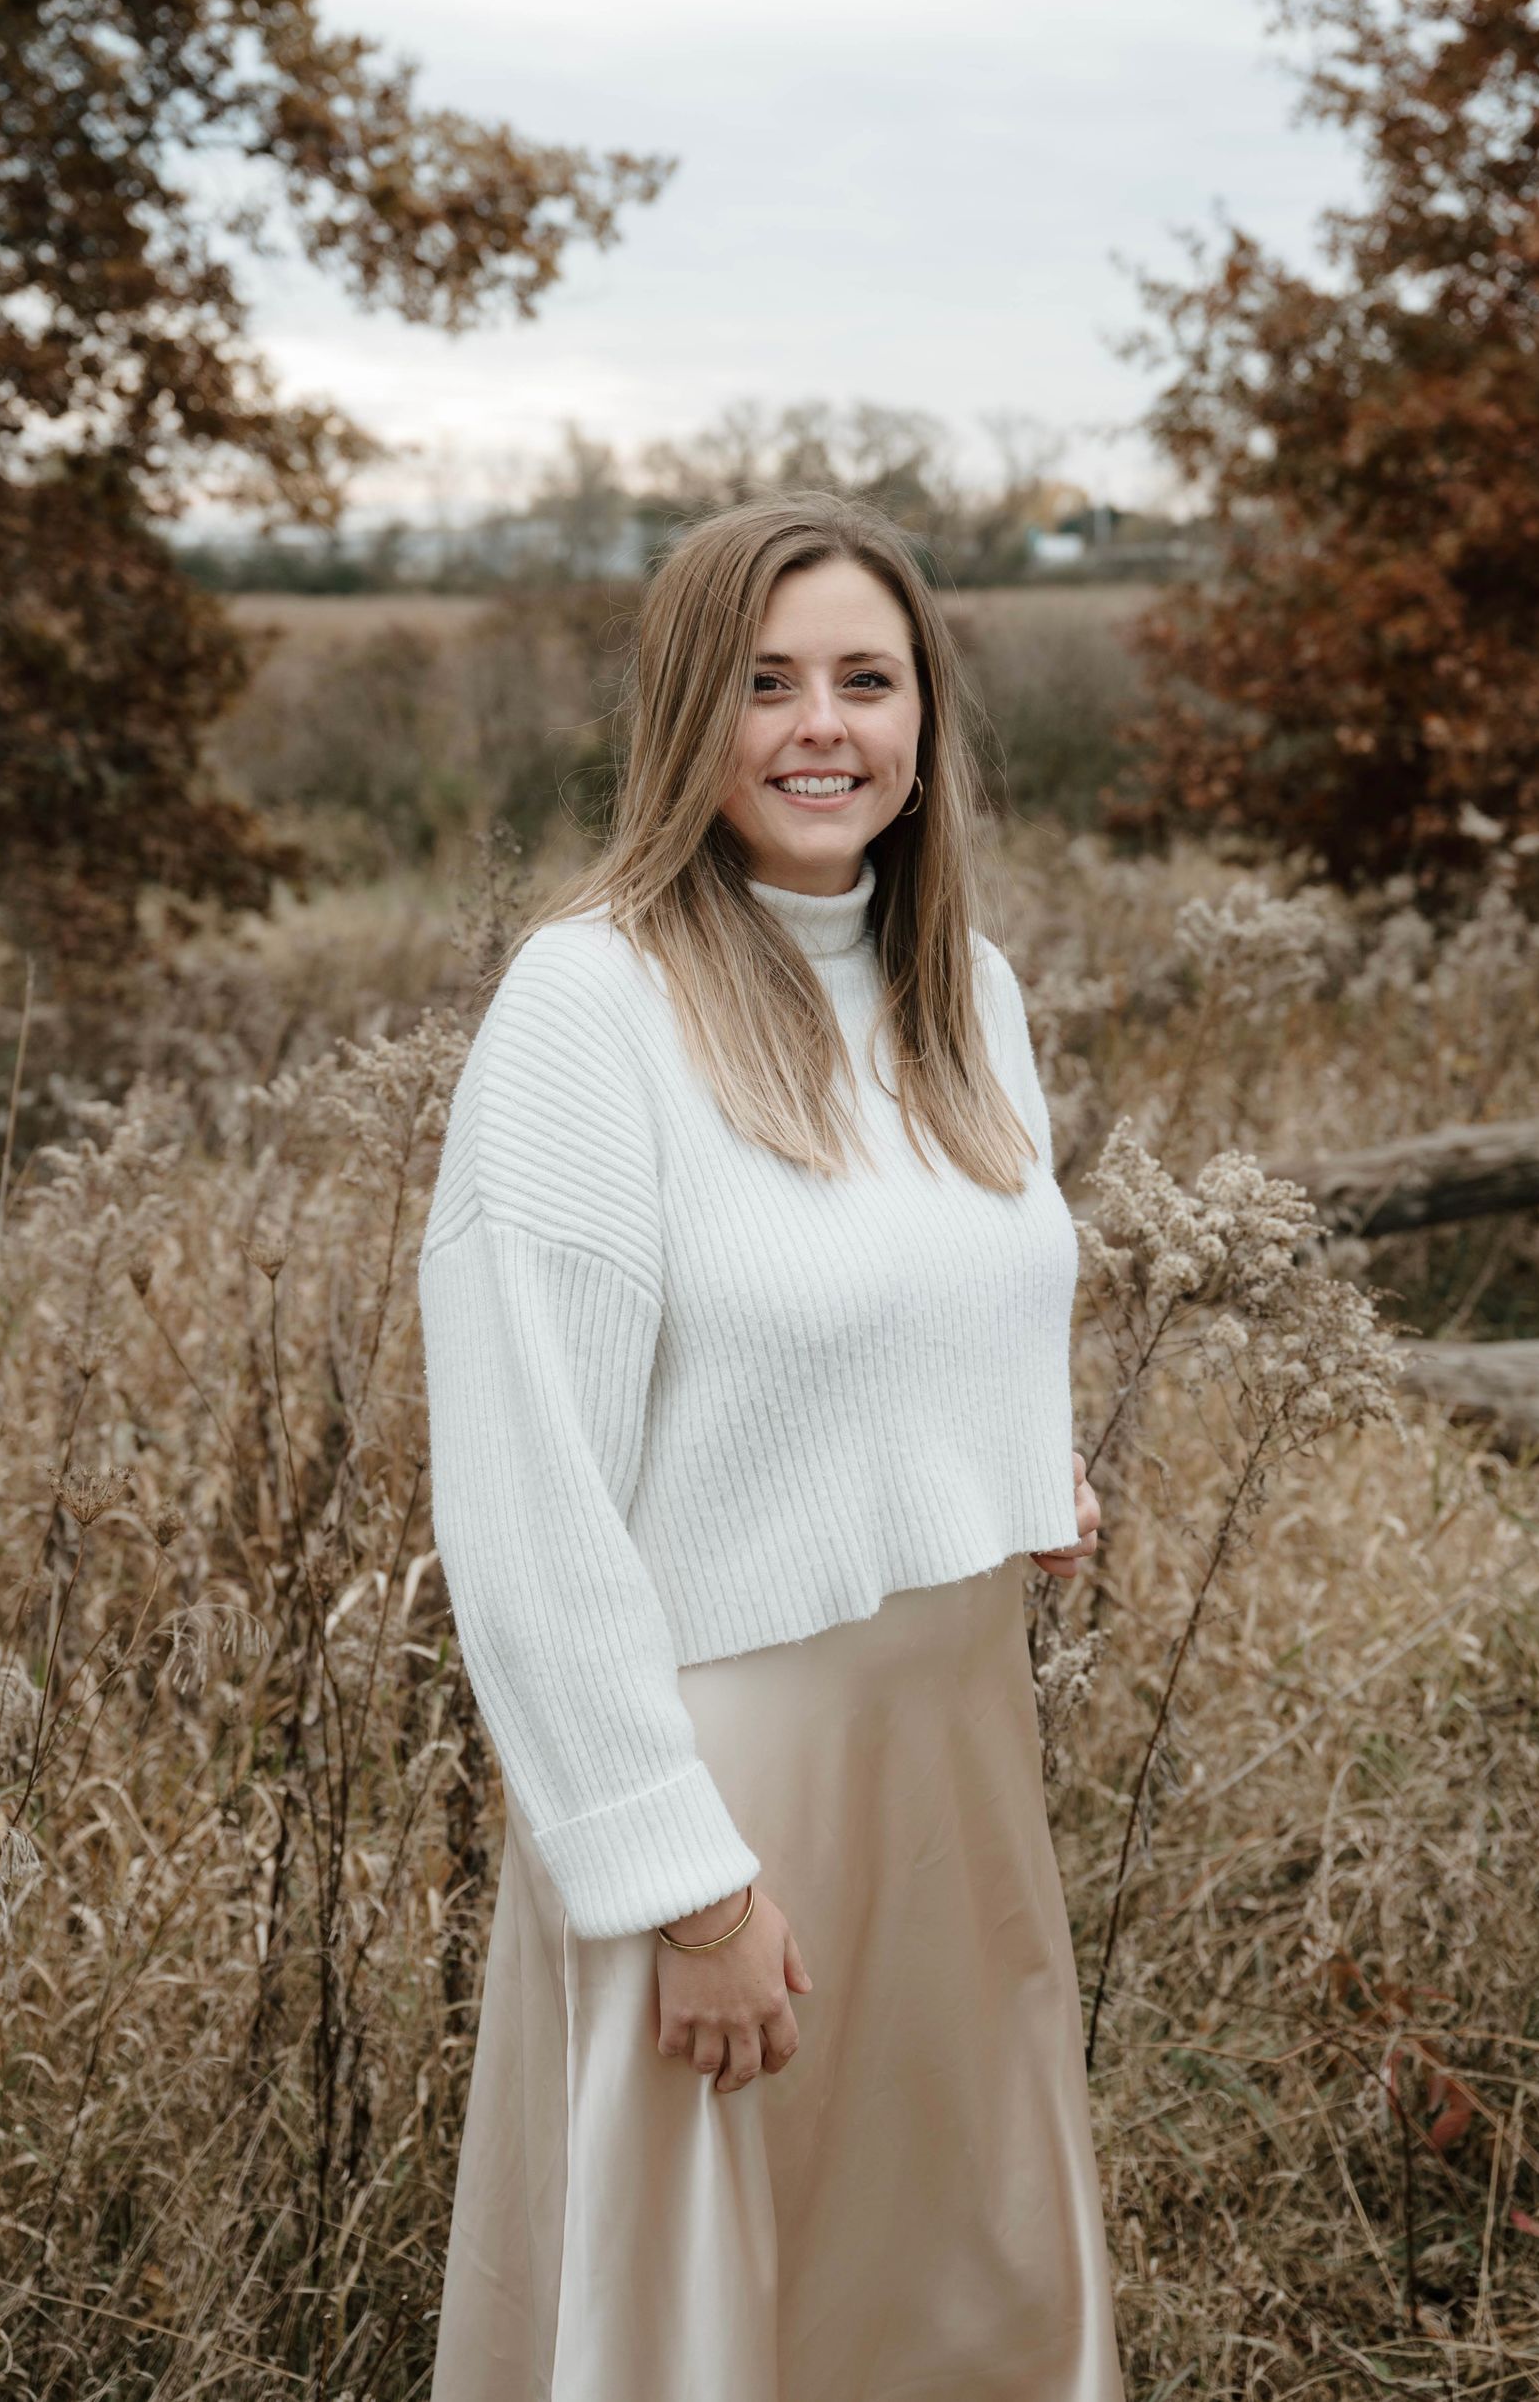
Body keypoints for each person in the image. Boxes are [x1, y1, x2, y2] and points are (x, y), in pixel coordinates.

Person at [419, 491, 1125, 2401]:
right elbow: (523, 1487)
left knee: (946, 2277)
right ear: (687, 716)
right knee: (709, 2305)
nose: (825, 727)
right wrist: (682, 1888)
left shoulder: (963, 991)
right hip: (727, 1775)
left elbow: (966, 1281)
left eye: (867, 681)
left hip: (957, 1743)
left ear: (924, 721)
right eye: (768, 681)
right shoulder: (591, 1004)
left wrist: (1012, 1464)